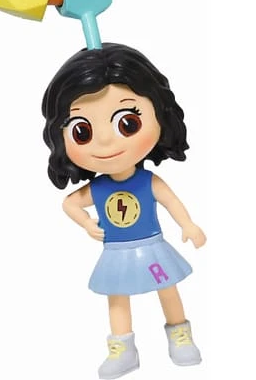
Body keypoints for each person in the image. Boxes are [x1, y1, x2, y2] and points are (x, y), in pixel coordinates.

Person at [41, 43, 206, 379]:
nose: (105, 142)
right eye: (83, 131)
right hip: (116, 250)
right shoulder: (99, 188)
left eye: (127, 123)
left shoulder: (148, 181)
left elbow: (171, 201)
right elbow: (70, 202)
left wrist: (187, 224)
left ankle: (179, 333)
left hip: (152, 245)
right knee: (117, 297)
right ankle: (123, 347)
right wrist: (86, 223)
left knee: (167, 288)